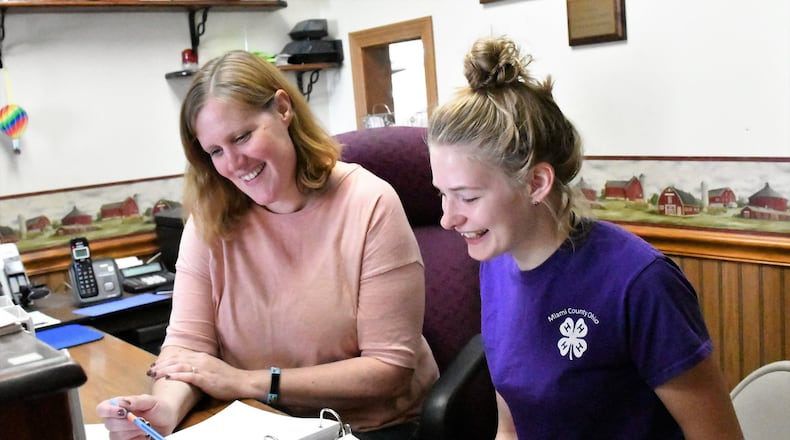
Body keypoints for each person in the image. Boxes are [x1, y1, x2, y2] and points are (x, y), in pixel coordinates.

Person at [96, 50, 438, 440]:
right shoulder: (210, 219)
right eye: (215, 151)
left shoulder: (369, 203)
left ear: (281, 109)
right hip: (259, 424)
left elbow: (388, 370)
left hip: (367, 428)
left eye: (241, 137)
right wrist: (164, 409)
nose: (234, 164)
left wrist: (249, 382)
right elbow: (187, 350)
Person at [427, 36, 743, 439]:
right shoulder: (496, 266)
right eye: (442, 194)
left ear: (537, 183)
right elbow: (510, 426)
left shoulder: (639, 282)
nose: (447, 219)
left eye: (467, 197)